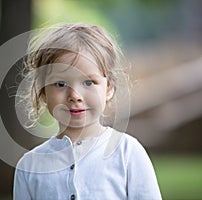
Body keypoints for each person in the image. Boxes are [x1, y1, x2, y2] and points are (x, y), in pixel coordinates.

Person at [13, 23, 162, 200]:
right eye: (60, 84)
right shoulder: (29, 167)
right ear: (43, 92)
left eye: (89, 82)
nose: (75, 96)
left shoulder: (128, 153)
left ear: (109, 89)